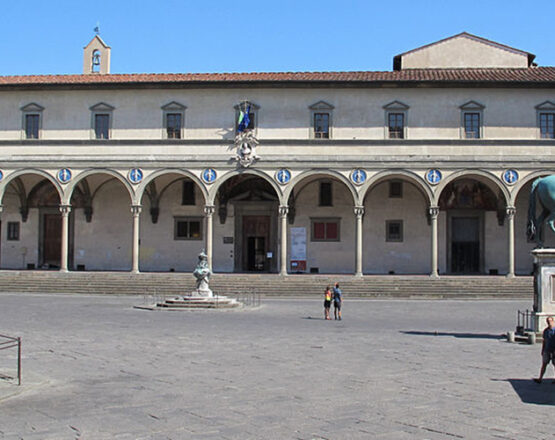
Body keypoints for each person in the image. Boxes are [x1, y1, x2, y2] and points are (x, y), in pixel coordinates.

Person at [534, 316, 555, 384]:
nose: (549, 323)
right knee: (544, 364)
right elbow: (544, 341)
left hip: (554, 350)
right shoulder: (546, 331)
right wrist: (543, 350)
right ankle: (540, 378)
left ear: (553, 321)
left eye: (550, 321)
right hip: (547, 350)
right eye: (548, 321)